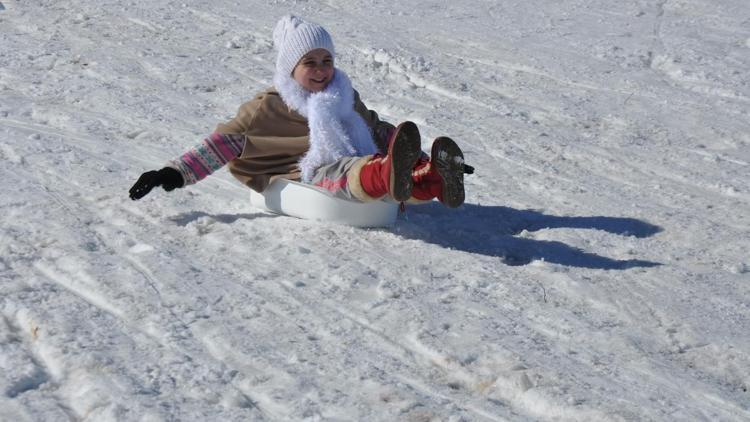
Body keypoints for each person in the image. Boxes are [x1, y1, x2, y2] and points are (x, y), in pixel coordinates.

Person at [129, 15, 469, 208]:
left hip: (367, 170)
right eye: (310, 63)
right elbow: (223, 142)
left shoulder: (344, 95)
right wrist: (171, 173)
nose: (321, 70)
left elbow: (376, 129)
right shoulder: (270, 107)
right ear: (291, 69)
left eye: (327, 61)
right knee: (345, 169)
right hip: (311, 176)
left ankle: (433, 177)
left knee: (399, 167)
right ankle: (386, 175)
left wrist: (418, 156)